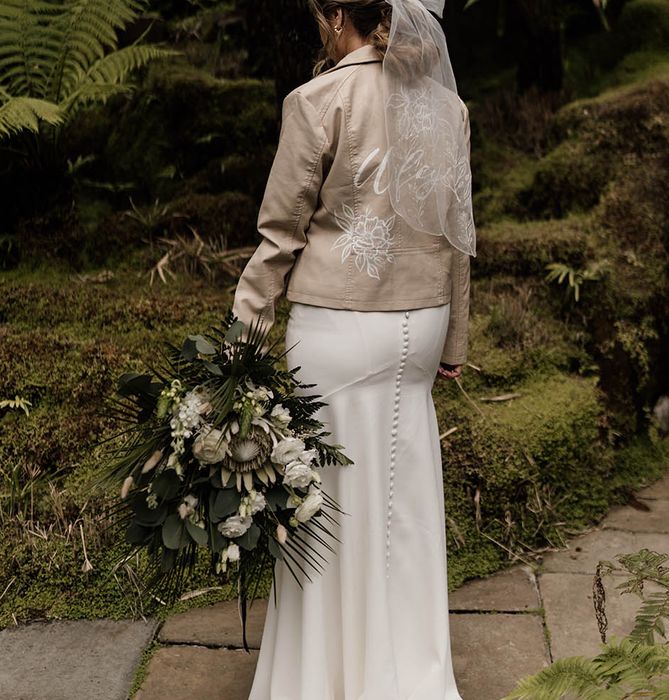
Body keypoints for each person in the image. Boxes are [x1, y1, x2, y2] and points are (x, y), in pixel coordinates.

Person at [230, 0, 476, 697]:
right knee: (404, 496)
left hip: (339, 327)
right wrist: (455, 339)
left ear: (339, 15)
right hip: (422, 328)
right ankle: (408, 672)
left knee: (325, 500)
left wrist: (237, 353)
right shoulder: (447, 109)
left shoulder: (318, 100)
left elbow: (279, 237)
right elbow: (460, 236)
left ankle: (322, 677)